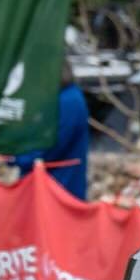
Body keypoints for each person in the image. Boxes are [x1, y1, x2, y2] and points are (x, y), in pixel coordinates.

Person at [13, 60, 90, 201]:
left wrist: (16, 157)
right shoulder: (62, 96)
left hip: (60, 186)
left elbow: (52, 145)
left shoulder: (68, 100)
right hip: (53, 184)